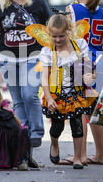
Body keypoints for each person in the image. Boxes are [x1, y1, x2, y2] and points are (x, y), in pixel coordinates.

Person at [0, 0, 51, 149]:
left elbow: (51, 28)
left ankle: (36, 132)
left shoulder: (38, 3)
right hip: (7, 58)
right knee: (18, 99)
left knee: (30, 95)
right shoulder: (1, 7)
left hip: (33, 57)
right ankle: (24, 131)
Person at [66, 0, 103, 165]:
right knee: (95, 110)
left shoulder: (72, 9)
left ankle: (82, 154)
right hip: (99, 64)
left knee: (79, 109)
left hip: (79, 62)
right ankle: (101, 154)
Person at [40, 14, 97, 169]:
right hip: (56, 96)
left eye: (61, 36)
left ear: (69, 32)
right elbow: (45, 78)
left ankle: (78, 157)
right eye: (54, 36)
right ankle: (54, 144)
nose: (57, 40)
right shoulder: (48, 51)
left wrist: (90, 76)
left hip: (77, 93)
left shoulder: (80, 45)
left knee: (77, 124)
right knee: (57, 127)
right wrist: (49, 98)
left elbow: (89, 67)